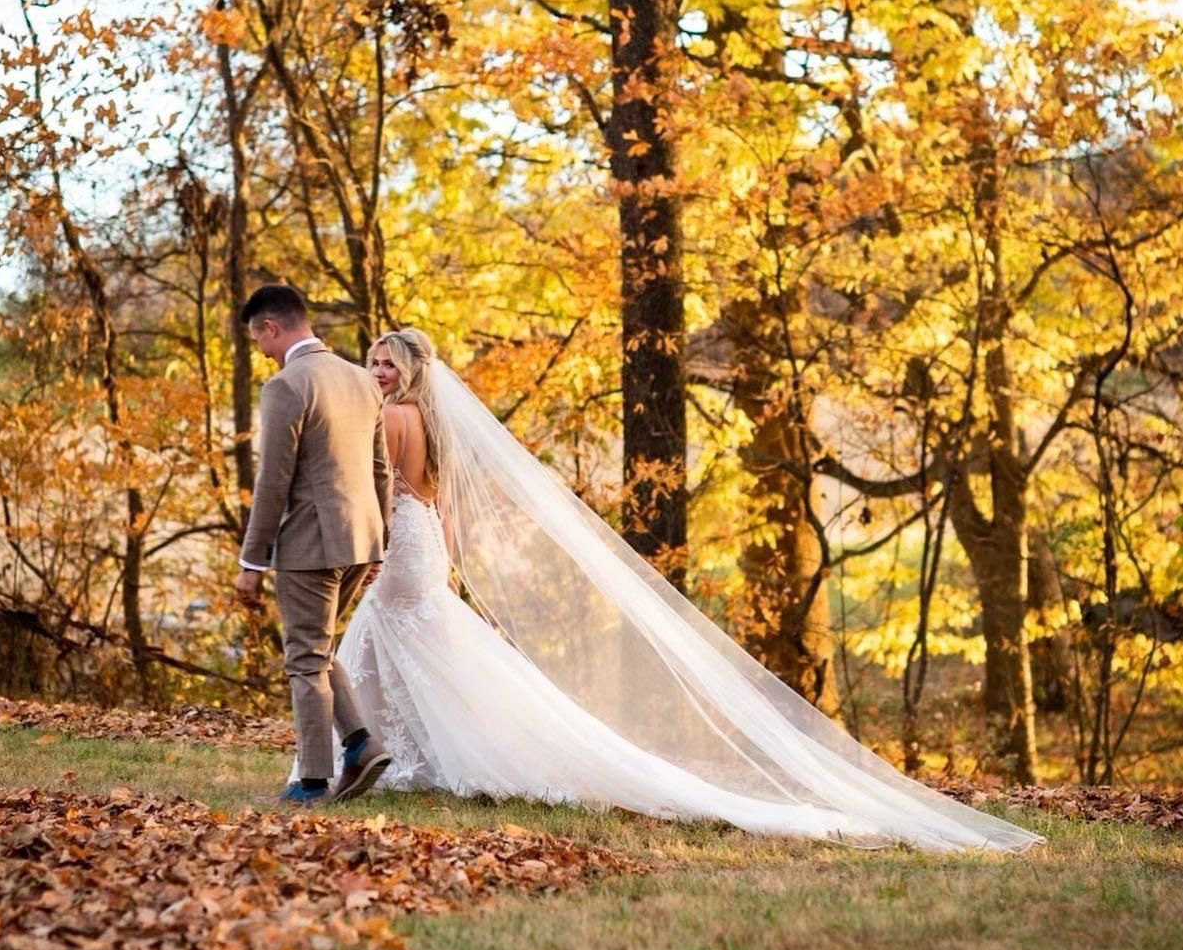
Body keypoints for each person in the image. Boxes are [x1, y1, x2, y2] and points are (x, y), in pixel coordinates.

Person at [332, 329, 1038, 854]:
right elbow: (439, 505)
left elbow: (379, 492)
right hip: (421, 544)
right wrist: (445, 560)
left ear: (413, 370)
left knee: (382, 645)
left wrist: (369, 550)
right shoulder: (436, 424)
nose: (377, 372)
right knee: (415, 648)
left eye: (387, 363)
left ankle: (402, 756)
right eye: (372, 362)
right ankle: (407, 754)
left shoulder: (390, 420)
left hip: (400, 544)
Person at [233, 285, 393, 804]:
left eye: (259, 339)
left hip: (310, 542)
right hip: (360, 538)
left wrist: (250, 563)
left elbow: (272, 483)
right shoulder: (360, 379)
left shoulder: (286, 385)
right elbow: (380, 471)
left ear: (271, 328)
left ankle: (312, 782)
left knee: (304, 658)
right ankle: (360, 743)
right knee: (318, 648)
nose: (261, 350)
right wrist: (379, 543)